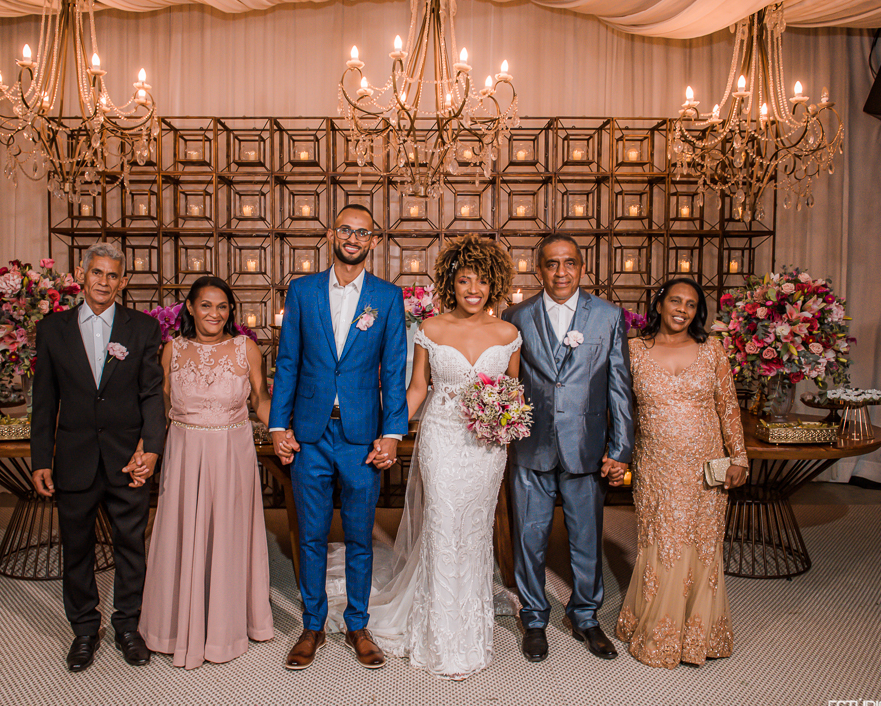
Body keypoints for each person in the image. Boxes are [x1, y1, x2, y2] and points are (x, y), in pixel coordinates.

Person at [360, 234, 521, 680]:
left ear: (494, 284)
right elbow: (417, 389)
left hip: (487, 448)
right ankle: (440, 638)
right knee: (444, 527)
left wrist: (505, 419)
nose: (474, 289)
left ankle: (470, 634)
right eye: (465, 279)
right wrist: (390, 432)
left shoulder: (508, 334)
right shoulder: (430, 330)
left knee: (475, 532)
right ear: (451, 282)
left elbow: (513, 394)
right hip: (442, 441)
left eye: (482, 281)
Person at [268, 203, 408, 671]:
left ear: (373, 241)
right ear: (332, 234)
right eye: (345, 229)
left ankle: (357, 625)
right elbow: (288, 361)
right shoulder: (303, 290)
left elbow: (393, 370)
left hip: (361, 435)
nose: (352, 238)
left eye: (362, 232)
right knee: (311, 534)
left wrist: (392, 433)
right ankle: (312, 626)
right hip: (309, 434)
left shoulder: (387, 297)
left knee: (359, 536)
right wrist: (278, 425)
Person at [30, 242, 166, 672]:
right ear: (81, 274)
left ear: (123, 281)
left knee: (131, 547)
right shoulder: (52, 329)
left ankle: (128, 626)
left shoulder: (143, 328)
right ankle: (85, 630)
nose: (104, 282)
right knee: (77, 549)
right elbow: (44, 400)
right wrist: (41, 458)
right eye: (97, 273)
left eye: (112, 275)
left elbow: (152, 395)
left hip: (127, 460)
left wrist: (152, 449)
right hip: (74, 457)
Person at [500, 232, 634, 663]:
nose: (562, 272)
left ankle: (585, 616)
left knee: (586, 537)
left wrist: (621, 448)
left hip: (586, 446)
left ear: (582, 267)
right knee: (529, 536)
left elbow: (619, 387)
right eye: (552, 264)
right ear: (538, 270)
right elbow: (508, 382)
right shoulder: (515, 316)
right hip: (530, 444)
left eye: (570, 263)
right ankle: (534, 617)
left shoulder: (608, 316)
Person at [138, 276, 274, 669]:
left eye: (222, 306)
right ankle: (174, 626)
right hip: (184, 453)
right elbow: (159, 406)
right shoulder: (172, 349)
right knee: (181, 531)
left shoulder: (246, 348)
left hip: (232, 453)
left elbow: (261, 400)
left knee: (228, 534)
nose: (214, 313)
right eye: (206, 305)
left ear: (230, 312)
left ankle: (226, 628)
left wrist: (285, 434)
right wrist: (144, 447)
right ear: (191, 308)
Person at [615, 277, 748, 668]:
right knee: (663, 542)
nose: (682, 310)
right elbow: (620, 410)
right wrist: (616, 454)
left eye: (691, 305)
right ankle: (658, 632)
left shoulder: (713, 350)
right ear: (659, 305)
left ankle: (697, 635)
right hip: (657, 466)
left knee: (703, 544)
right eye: (676, 301)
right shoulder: (633, 350)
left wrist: (739, 457)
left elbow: (728, 407)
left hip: (706, 465)